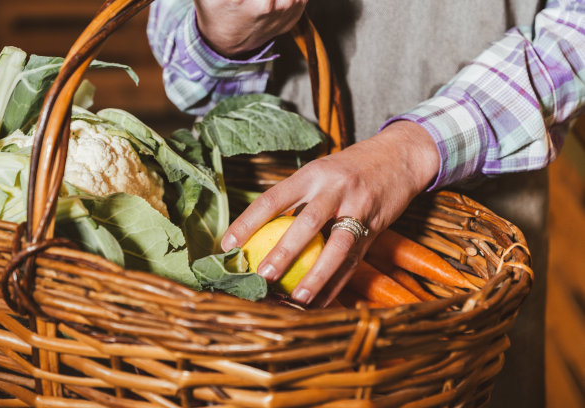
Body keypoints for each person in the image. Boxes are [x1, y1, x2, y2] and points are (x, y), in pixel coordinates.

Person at [147, 1, 585, 406]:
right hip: (270, 187)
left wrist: (412, 149)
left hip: (476, 229)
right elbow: (184, 69)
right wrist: (222, 37)